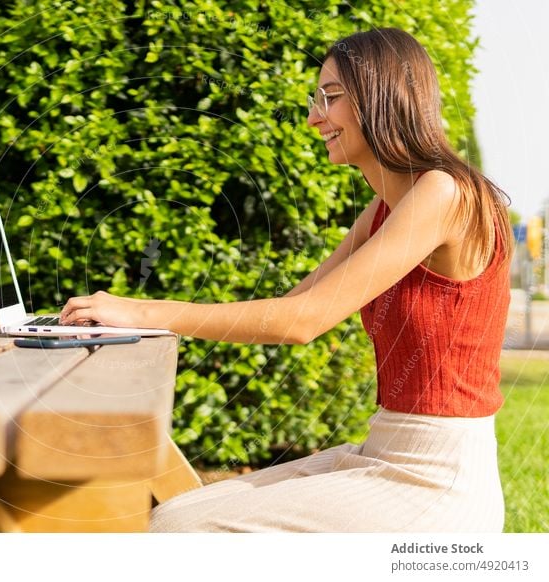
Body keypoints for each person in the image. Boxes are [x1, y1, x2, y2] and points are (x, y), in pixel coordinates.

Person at [59, 28, 514, 532]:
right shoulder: (384, 209)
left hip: (435, 480)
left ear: (382, 95)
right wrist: (138, 319)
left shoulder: (446, 194)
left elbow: (303, 321)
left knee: (179, 532)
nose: (314, 117)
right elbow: (293, 303)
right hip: (384, 449)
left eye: (331, 98)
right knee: (174, 512)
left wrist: (138, 311)